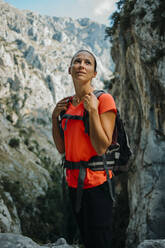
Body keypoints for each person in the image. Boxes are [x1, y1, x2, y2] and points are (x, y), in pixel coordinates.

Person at [52, 49, 117, 248]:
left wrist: (93, 112)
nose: (81, 65)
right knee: (87, 239)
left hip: (98, 185)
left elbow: (101, 147)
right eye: (77, 61)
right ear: (69, 70)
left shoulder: (104, 100)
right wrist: (55, 119)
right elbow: (62, 148)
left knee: (100, 241)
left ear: (94, 73)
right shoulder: (66, 105)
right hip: (73, 184)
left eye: (88, 63)